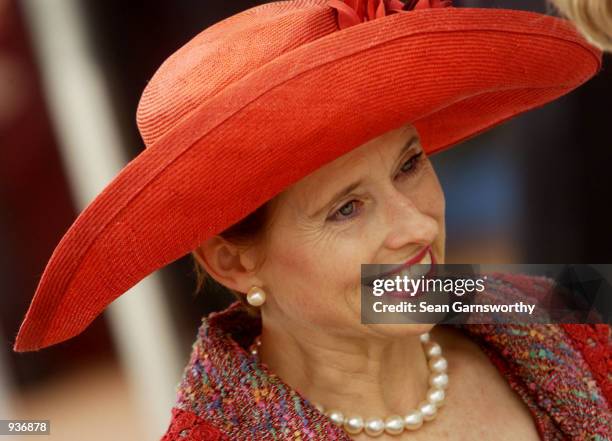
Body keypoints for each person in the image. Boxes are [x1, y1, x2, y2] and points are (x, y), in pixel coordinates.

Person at [12, 0, 610, 439]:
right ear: (232, 259)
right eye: (346, 208)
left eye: (408, 165)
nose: (417, 228)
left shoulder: (546, 302)